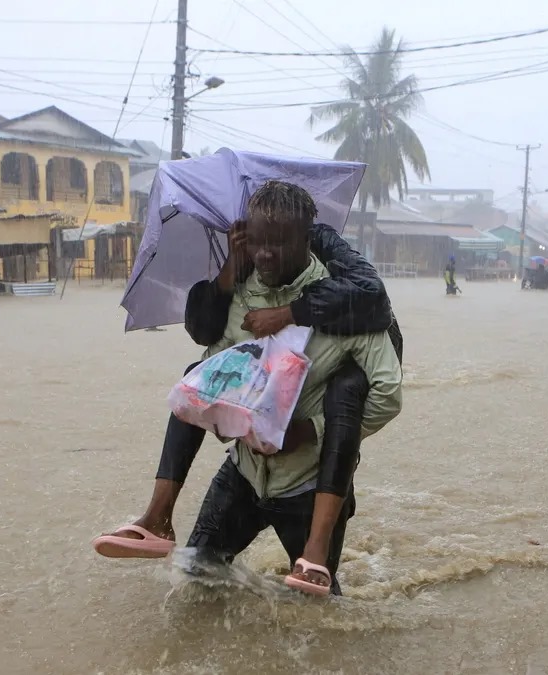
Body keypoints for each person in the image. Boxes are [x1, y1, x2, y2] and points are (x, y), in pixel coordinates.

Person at [94, 181, 403, 597]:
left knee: (316, 609)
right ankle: (157, 518)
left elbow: (387, 394)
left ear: (306, 239)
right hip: (244, 473)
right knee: (197, 580)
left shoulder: (347, 303)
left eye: (279, 243)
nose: (265, 254)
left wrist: (309, 431)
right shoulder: (241, 291)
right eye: (257, 242)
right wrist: (225, 413)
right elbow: (216, 361)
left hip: (309, 484)